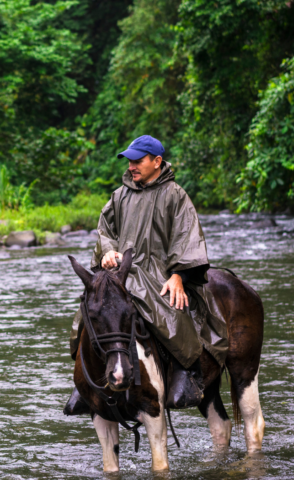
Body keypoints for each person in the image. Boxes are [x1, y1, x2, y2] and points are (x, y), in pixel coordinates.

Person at [67, 135, 229, 412]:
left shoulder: (175, 195)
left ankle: (186, 372)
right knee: (90, 308)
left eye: (138, 161)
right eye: (130, 161)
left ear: (157, 161)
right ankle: (86, 384)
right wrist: (108, 251)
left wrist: (179, 275)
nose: (132, 166)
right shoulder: (120, 195)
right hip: (123, 270)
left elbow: (187, 237)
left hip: (160, 273)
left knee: (168, 312)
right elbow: (106, 231)